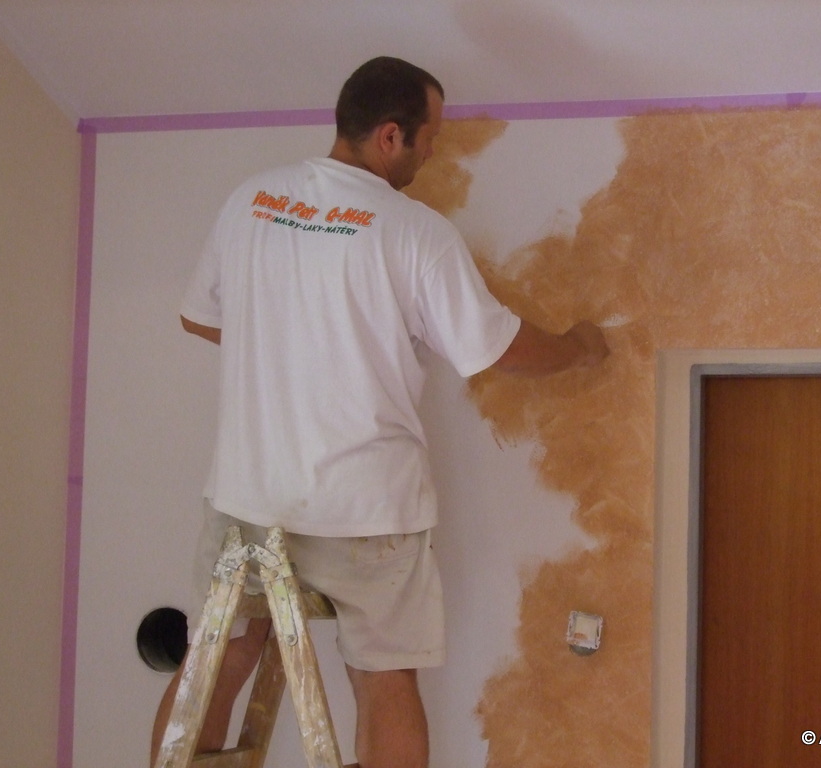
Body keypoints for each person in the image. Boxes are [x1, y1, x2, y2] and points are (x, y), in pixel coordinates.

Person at [151, 56, 609, 768]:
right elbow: (500, 350)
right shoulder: (413, 231)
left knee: (222, 654)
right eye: (430, 139)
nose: (432, 154)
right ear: (391, 135)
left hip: (249, 498)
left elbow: (200, 318)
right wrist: (578, 347)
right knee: (384, 677)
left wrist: (288, 348)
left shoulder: (251, 201)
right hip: (366, 511)